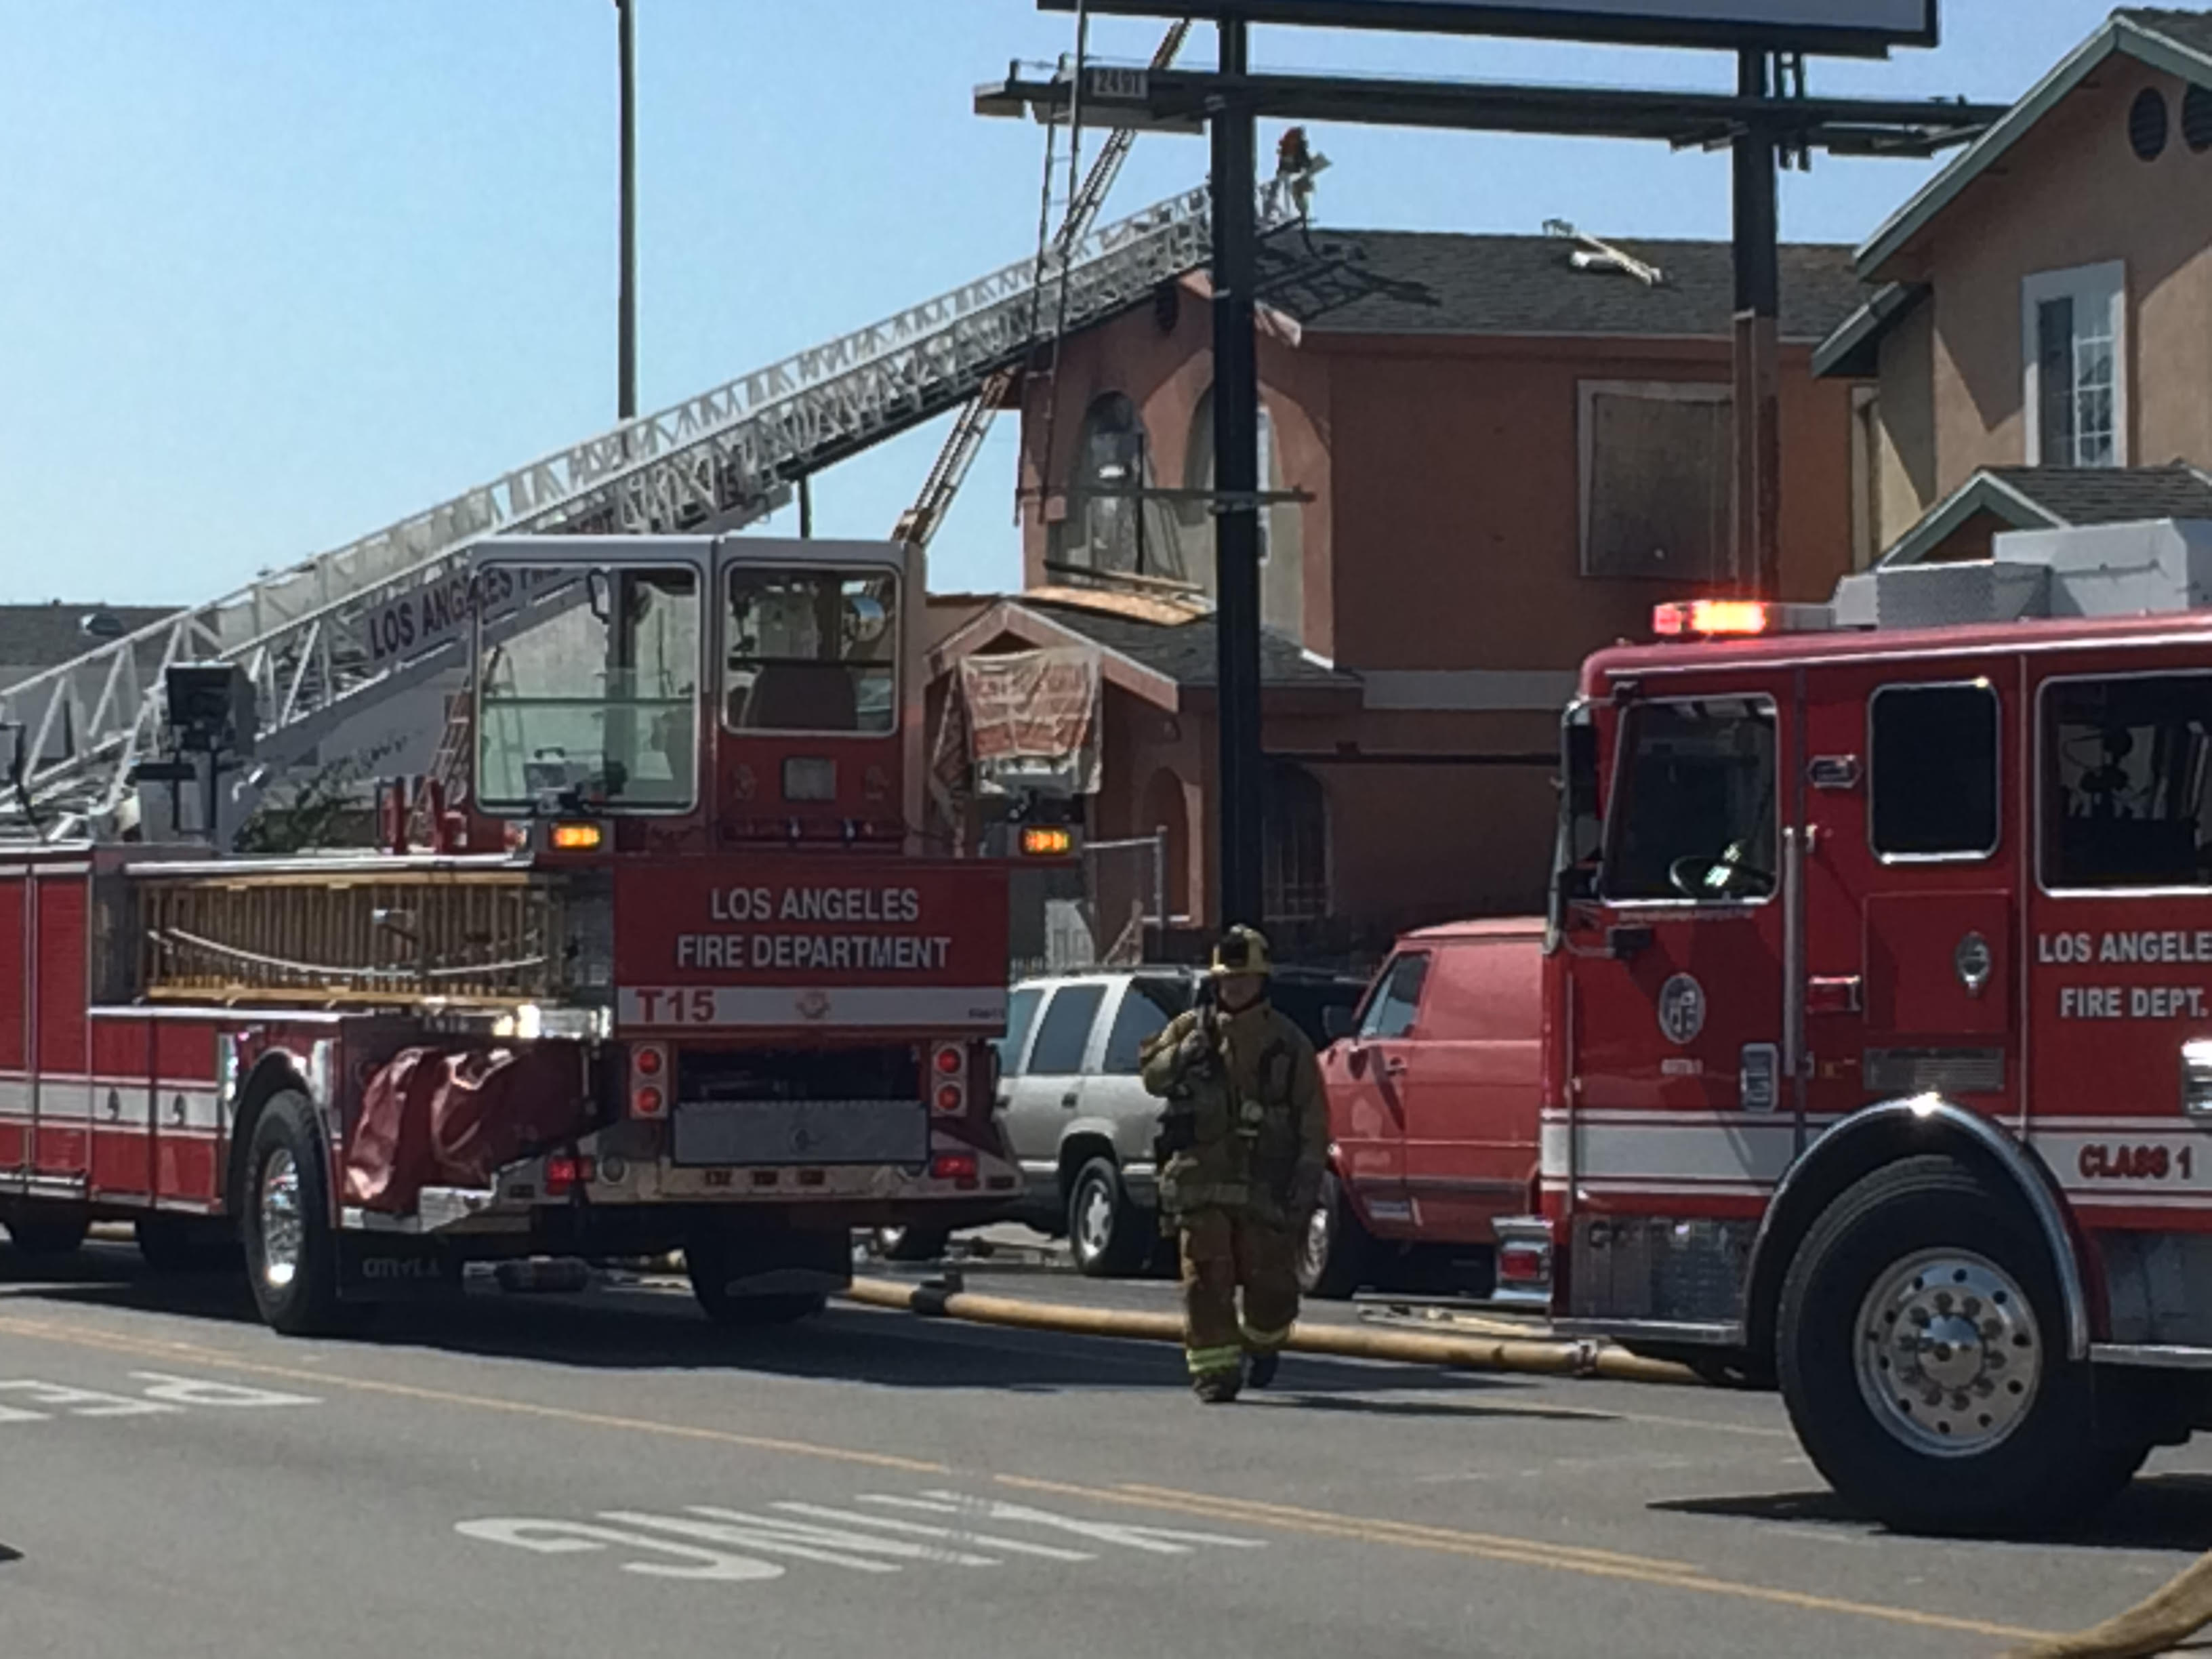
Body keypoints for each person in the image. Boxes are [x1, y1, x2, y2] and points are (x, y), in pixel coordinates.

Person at [1140, 925, 1329, 1404]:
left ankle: (1263, 1343)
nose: (1234, 988)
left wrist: (1308, 1176)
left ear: (1261, 981)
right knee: (1206, 1279)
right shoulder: (1189, 1029)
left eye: (1243, 979)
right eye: (1227, 980)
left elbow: (1313, 1116)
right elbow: (1152, 1077)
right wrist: (1182, 1056)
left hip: (1264, 1182)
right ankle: (1214, 1373)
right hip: (1200, 1181)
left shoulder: (1288, 1043)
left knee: (1273, 1286)